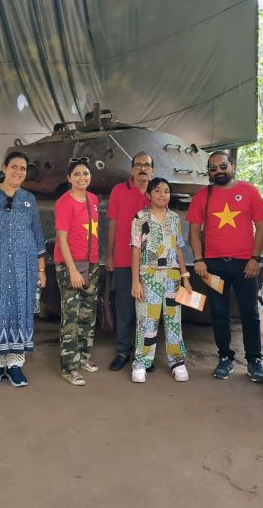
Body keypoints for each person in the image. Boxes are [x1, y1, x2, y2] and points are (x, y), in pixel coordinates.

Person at [187, 150, 263, 383]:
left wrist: (255, 257)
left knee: (249, 313)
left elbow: (261, 226)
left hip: (246, 264)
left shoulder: (249, 191)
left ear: (232, 166)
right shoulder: (203, 196)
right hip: (214, 265)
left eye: (223, 166)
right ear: (208, 172)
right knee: (219, 313)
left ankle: (254, 359)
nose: (218, 171)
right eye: (213, 168)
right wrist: (199, 259)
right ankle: (225, 357)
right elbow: (193, 230)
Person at [0, 151, 46, 387]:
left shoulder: (29, 199)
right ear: (4, 168)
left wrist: (41, 270)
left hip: (24, 266)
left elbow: (37, 235)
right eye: (14, 167)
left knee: (20, 310)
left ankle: (15, 364)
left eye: (23, 168)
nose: (18, 172)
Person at [130, 177, 192, 383]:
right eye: (157, 190)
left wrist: (185, 278)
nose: (162, 194)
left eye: (166, 191)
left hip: (172, 276)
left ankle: (177, 361)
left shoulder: (174, 218)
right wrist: (135, 281)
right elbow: (136, 250)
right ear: (148, 194)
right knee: (147, 321)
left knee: (174, 320)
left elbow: (178, 248)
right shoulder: (140, 218)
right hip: (148, 275)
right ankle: (141, 362)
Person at [106, 152, 154, 371]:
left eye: (147, 165)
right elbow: (113, 224)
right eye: (138, 165)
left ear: (152, 170)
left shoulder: (156, 192)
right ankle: (123, 350)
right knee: (125, 307)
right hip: (124, 259)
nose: (142, 169)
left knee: (148, 311)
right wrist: (109, 254)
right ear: (132, 169)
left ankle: (144, 355)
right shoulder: (119, 190)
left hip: (152, 261)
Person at [55, 159, 101, 386]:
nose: (82, 177)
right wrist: (72, 269)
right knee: (71, 316)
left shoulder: (92, 199)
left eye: (85, 173)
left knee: (88, 314)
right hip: (70, 265)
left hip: (91, 264)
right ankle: (69, 367)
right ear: (69, 178)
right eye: (77, 174)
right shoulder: (65, 202)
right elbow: (61, 239)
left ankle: (83, 356)